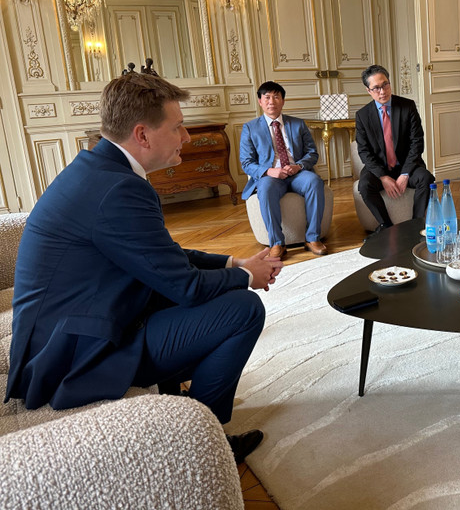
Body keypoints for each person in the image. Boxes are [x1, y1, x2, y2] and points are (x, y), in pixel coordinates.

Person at [4, 73, 282, 464]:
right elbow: (184, 287)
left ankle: (178, 407)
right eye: (178, 126)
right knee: (242, 309)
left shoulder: (99, 169)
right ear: (143, 135)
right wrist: (247, 277)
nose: (186, 136)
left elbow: (160, 254)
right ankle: (202, 445)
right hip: (70, 357)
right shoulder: (119, 189)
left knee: (201, 293)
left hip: (67, 331)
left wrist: (232, 262)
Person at [240, 81, 327, 259]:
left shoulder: (298, 124)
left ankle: (312, 238)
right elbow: (246, 162)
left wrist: (299, 166)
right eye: (267, 97)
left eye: (276, 96)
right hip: (270, 176)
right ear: (260, 101)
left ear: (283, 101)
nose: (272, 101)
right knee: (265, 189)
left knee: (314, 182)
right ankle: (277, 243)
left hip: (297, 173)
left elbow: (312, 153)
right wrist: (269, 171)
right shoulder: (250, 128)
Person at [355, 65, 435, 234]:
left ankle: (417, 224)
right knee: (364, 186)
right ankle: (387, 227)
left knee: (426, 178)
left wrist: (405, 174)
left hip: (407, 164)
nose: (382, 91)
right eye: (376, 88)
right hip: (380, 168)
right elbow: (364, 151)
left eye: (385, 85)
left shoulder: (407, 106)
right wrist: (383, 176)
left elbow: (417, 142)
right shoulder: (362, 115)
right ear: (368, 90)